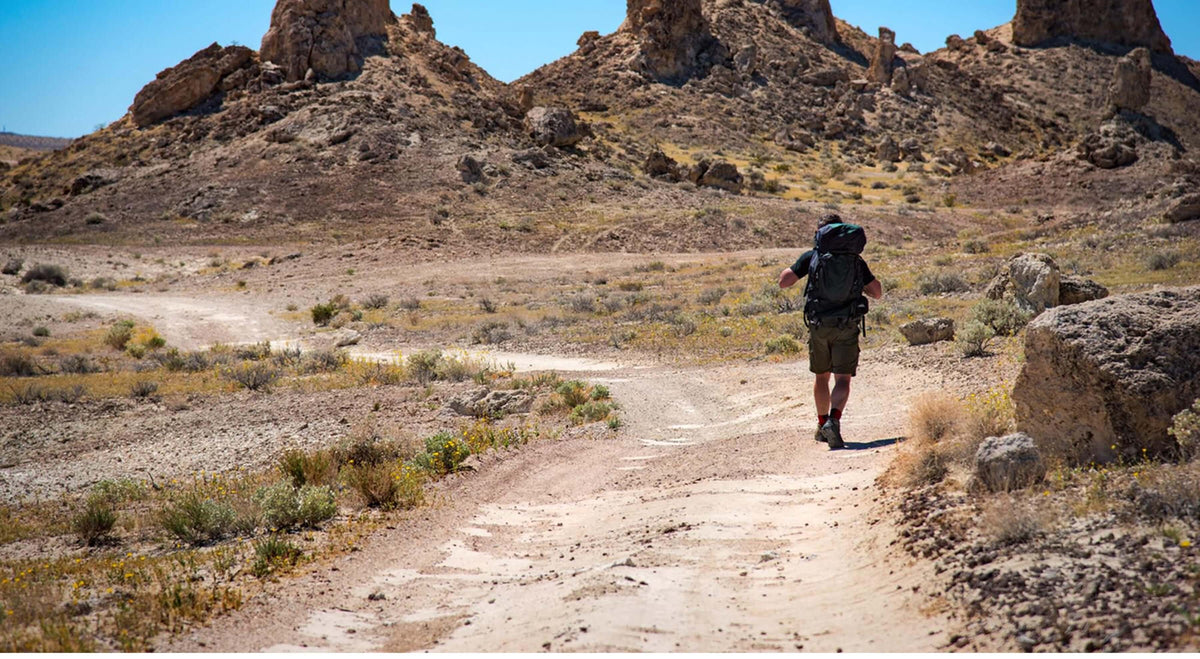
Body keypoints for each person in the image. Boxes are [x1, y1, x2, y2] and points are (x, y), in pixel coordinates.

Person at [778, 214, 883, 449]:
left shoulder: (812, 256)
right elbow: (877, 292)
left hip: (819, 324)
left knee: (821, 376)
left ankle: (822, 423)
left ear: (820, 233)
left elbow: (784, 281)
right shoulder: (855, 260)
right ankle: (834, 420)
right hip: (847, 324)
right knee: (843, 379)